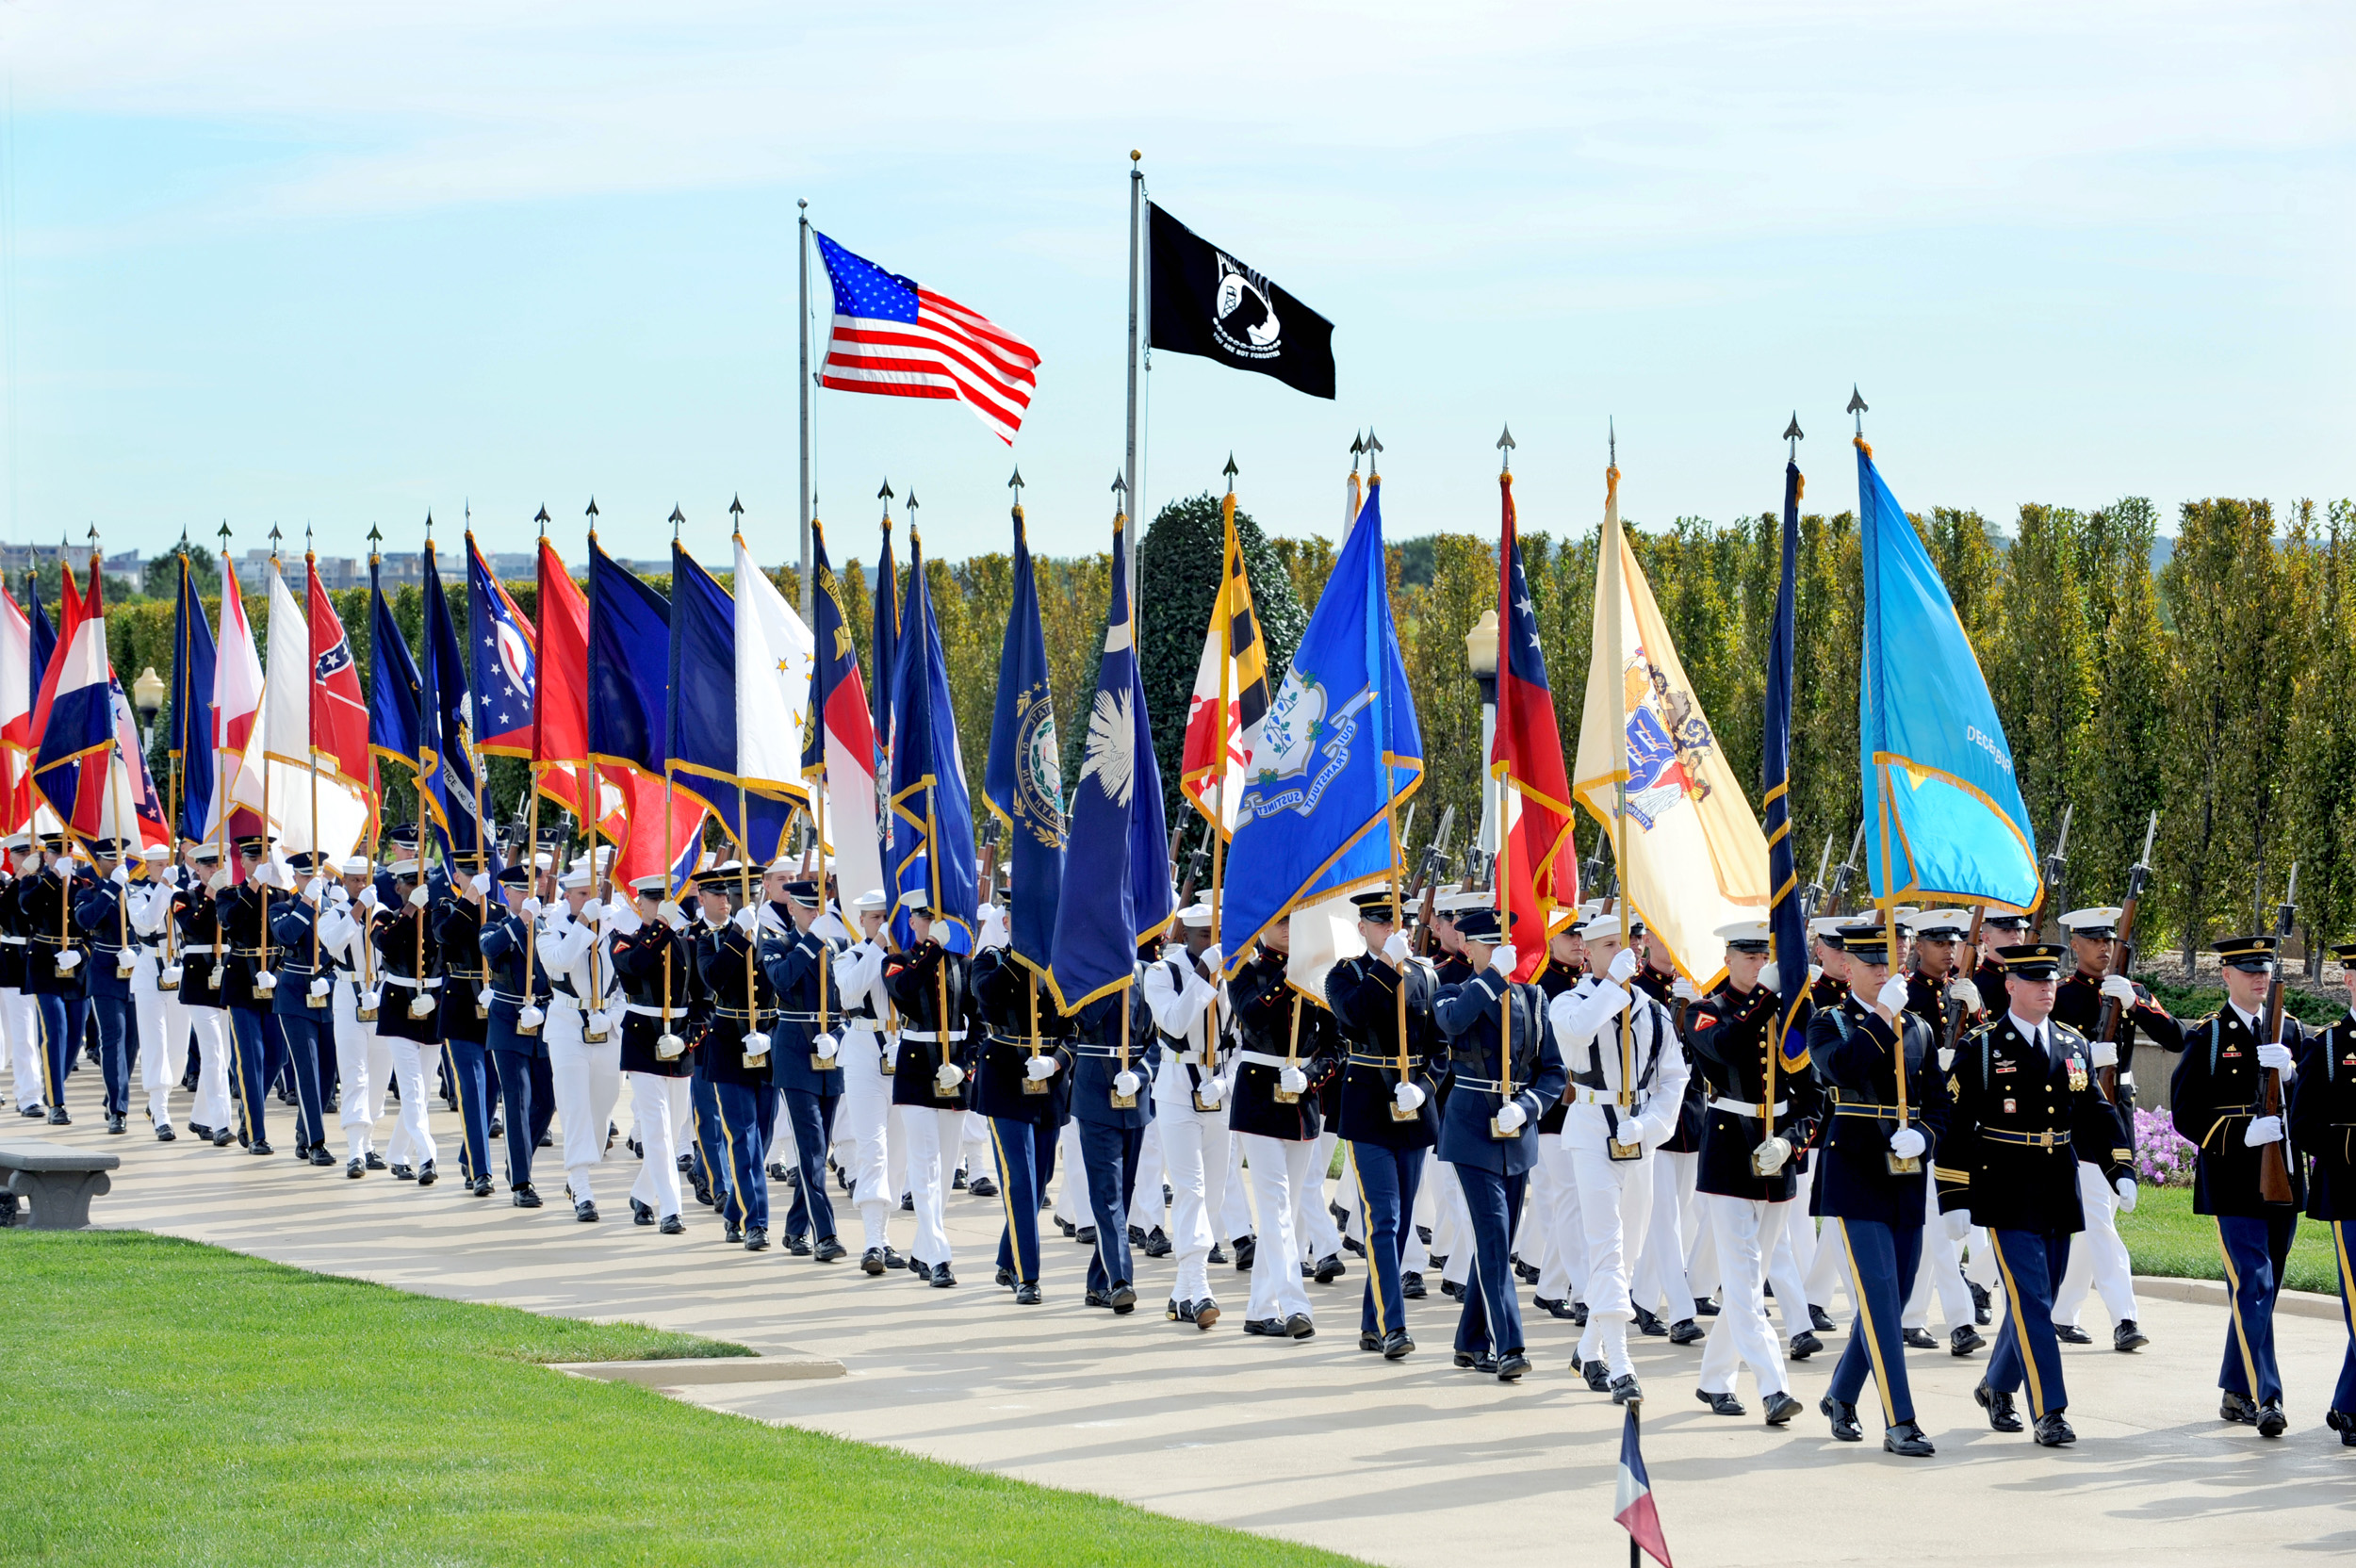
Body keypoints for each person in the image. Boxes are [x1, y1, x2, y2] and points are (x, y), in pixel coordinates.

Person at [1942, 941, 2136, 1447]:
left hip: (2056, 1185)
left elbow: (2096, 1111)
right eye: (2034, 981)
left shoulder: (2071, 1043)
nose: (2047, 988)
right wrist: (1954, 1196)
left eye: (2051, 980)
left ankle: (1995, 1385)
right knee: (2031, 1300)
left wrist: (2121, 1167)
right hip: (2004, 1185)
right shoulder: (1983, 1047)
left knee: (2039, 1301)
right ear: (2010, 987)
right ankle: (2050, 1410)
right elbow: (1956, 1124)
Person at [1808, 915, 1941, 1458]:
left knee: (1896, 1295)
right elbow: (1840, 1067)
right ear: (1847, 968)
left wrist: (1926, 1136)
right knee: (1882, 1295)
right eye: (1874, 963)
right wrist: (1884, 1013)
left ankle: (1841, 1393)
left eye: (1892, 960)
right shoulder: (1830, 1023)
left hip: (1905, 1174)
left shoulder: (1921, 1028)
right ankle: (1900, 1419)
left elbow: (1939, 1101)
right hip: (1855, 1171)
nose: (1888, 970)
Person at [2171, 934, 2312, 1439]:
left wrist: (2293, 1076)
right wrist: (2241, 1131)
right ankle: (2265, 1395)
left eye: (2265, 969)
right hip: (2233, 1182)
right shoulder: (2209, 1036)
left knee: (2262, 1292)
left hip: (2284, 1180)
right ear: (2225, 975)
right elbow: (2185, 1113)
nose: (2259, 977)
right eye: (2248, 969)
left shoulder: (2292, 1031)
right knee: (2253, 1282)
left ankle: (2236, 1386)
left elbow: (2315, 1109)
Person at [1681, 919, 1815, 1425]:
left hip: (1776, 1154)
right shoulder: (1703, 1012)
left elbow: (1813, 1096)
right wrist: (1766, 995)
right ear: (1728, 960)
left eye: (1766, 957)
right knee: (1742, 1281)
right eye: (1750, 957)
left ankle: (1714, 1379)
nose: (1760, 965)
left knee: (1750, 1277)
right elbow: (1729, 1047)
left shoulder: (1791, 1017)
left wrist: (1791, 1141)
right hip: (1728, 1151)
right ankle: (1774, 1388)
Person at [1552, 913, 1686, 1402]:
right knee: (1606, 1246)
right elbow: (1577, 1034)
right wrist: (1613, 987)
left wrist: (1651, 1126)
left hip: (1639, 1135)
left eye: (1626, 943)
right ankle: (1622, 1364)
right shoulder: (1570, 1001)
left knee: (1626, 1254)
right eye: (1608, 945)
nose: (1621, 952)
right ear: (1589, 952)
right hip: (1590, 1128)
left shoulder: (1654, 1009)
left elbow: (1674, 1077)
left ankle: (1590, 1348)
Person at [1433, 906, 1566, 1382]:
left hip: (1516, 1131)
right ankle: (1509, 1344)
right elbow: (1451, 1023)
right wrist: (1490, 978)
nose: (1501, 954)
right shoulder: (1451, 990)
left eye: (1504, 946)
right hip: (1471, 1130)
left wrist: (1528, 1107)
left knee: (1499, 1242)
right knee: (1492, 1240)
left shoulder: (1533, 999)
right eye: (1490, 947)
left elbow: (1554, 1071)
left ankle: (1469, 1342)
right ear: (1469, 949)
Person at [1327, 889, 1450, 1361]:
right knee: (1384, 1219)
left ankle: (1371, 1322)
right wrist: (1385, 967)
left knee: (1398, 1230)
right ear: (1363, 928)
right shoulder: (1347, 974)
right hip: (1367, 1108)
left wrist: (1425, 1086)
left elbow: (1441, 1048)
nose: (1389, 931)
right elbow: (1354, 1016)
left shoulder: (1426, 975)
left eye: (1395, 923)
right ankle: (1393, 1326)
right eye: (1380, 924)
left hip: (1412, 1108)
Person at [2051, 905, 2179, 1351]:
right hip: (2079, 1113)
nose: (2104, 947)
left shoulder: (2131, 991)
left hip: (2118, 1110)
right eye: (2095, 940)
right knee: (2100, 1216)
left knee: (2094, 1215)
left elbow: (2176, 1038)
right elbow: (2048, 1054)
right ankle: (2125, 1317)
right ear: (2076, 944)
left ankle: (2062, 1312)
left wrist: (2135, 1004)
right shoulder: (2062, 995)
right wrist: (2087, 1053)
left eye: (2110, 940)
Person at [1228, 914, 1335, 1340]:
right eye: (1279, 921)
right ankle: (1295, 1303)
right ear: (1261, 927)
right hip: (1258, 1095)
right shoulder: (1245, 971)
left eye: (1294, 920)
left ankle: (1259, 1308)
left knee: (1285, 1214)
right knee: (1273, 1207)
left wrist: (1311, 1076)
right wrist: (1286, 979)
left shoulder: (1318, 975)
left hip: (1301, 1098)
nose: (1288, 927)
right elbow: (1251, 1018)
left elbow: (1336, 1044)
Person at [1143, 898, 1231, 1328]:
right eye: (1203, 937)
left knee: (1213, 1195)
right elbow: (1175, 1024)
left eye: (1217, 937)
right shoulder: (1161, 974)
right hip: (1177, 1091)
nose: (1212, 945)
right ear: (1185, 936)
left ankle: (1181, 1294)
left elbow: (1238, 1037)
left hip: (1218, 1089)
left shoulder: (1231, 973)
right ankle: (1200, 1289)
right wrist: (1203, 974)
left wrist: (1226, 1080)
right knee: (1191, 1190)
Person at [883, 890, 976, 1287]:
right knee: (925, 1165)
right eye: (922, 918)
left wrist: (966, 1066)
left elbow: (982, 1025)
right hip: (917, 1069)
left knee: (946, 1168)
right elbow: (904, 994)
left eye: (934, 919)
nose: (927, 924)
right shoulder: (898, 962)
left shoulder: (963, 965)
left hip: (952, 1071)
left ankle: (923, 1250)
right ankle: (939, 1256)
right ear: (912, 922)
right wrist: (933, 950)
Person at [971, 929, 1070, 1304]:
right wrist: (1021, 957)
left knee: (1041, 1178)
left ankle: (1006, 1257)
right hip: (1004, 1079)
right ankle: (1028, 1275)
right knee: (1021, 1181)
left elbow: (1076, 1027)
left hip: (1050, 1080)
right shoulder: (992, 959)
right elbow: (986, 995)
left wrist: (1057, 1060)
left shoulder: (1062, 964)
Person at [2290, 941, 2356, 1446]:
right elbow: (2304, 1123)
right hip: (2351, 1191)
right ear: (2349, 982)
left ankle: (2346, 1403)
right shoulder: (2329, 1045)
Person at [764, 875, 849, 1260]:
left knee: (818, 1145)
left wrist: (841, 1032)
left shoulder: (841, 946)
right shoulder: (776, 944)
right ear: (792, 909)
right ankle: (826, 1235)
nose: (815, 914)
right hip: (796, 1051)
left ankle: (796, 1227)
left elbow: (853, 1001)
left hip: (831, 1052)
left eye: (819, 908)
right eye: (807, 908)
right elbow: (781, 981)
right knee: (812, 1147)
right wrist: (811, 941)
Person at [698, 867, 779, 1250]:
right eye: (727, 895)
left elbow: (782, 987)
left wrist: (770, 1033)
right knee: (743, 1137)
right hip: (730, 1044)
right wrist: (737, 937)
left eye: (737, 894)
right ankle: (755, 1222)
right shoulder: (707, 940)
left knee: (761, 1137)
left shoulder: (772, 938)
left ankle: (734, 1211)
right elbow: (712, 979)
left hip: (766, 1043)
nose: (730, 901)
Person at [540, 861, 626, 1222]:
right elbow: (559, 964)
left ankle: (582, 1174)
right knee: (574, 1106)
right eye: (582, 895)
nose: (590, 900)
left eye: (594, 894)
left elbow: (627, 985)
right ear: (568, 897)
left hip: (605, 1026)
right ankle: (581, 1185)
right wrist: (582, 926)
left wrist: (613, 1016)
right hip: (565, 1025)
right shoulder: (552, 932)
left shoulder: (616, 932)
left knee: (603, 1106)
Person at [610, 874, 695, 1233]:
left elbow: (702, 1000)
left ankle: (642, 1194)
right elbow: (637, 965)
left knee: (674, 1129)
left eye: (664, 900)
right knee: (658, 1131)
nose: (658, 905)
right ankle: (672, 1210)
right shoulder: (622, 942)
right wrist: (661, 926)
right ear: (638, 903)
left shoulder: (686, 944)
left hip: (678, 1041)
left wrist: (689, 1038)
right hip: (642, 1039)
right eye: (651, 899)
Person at [832, 889, 906, 1274]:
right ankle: (872, 1242)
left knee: (897, 1153)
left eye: (886, 917)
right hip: (864, 1052)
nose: (882, 923)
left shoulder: (908, 958)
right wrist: (877, 945)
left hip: (904, 1050)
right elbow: (850, 990)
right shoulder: (852, 955)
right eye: (875, 917)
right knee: (872, 1148)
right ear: (862, 921)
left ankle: (886, 1236)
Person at [482, 862, 556, 1206]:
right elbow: (490, 949)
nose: (530, 896)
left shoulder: (547, 926)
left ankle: (518, 1162)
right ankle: (521, 1184)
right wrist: (521, 920)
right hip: (508, 1022)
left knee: (547, 1099)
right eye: (521, 890)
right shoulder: (495, 924)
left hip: (540, 1020)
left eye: (533, 889)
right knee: (518, 1098)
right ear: (506, 893)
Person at [264, 852, 340, 1168]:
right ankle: (316, 1142)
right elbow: (285, 936)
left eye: (316, 875)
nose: (313, 882)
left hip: (327, 995)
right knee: (306, 1070)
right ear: (296, 878)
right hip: (295, 996)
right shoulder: (282, 908)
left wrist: (332, 980)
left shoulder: (332, 909)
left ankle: (303, 1132)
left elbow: (342, 954)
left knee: (327, 1073)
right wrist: (307, 904)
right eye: (306, 876)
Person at [157, 841, 235, 1145]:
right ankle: (221, 1124)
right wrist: (212, 894)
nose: (214, 871)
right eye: (208, 866)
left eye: (219, 865)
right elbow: (193, 925)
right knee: (213, 1053)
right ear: (197, 868)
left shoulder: (234, 896)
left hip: (227, 977)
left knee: (224, 1056)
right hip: (199, 980)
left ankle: (200, 1117)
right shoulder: (183, 897)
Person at [71, 839, 144, 1135]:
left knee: (132, 1045)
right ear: (99, 862)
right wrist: (112, 888)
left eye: (121, 859)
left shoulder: (136, 890)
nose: (118, 865)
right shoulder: (88, 892)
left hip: (135, 969)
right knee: (112, 1040)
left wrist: (137, 953)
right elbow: (86, 920)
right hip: (104, 971)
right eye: (112, 860)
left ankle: (113, 1093)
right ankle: (118, 1109)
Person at [434, 861, 497, 1196]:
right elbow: (446, 935)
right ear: (456, 876)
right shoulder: (445, 909)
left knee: (491, 1094)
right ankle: (480, 1171)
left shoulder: (498, 910)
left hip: (494, 1007)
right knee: (471, 1089)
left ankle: (468, 1152)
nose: (475, 878)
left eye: (479, 873)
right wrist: (470, 898)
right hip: (459, 1006)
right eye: (467, 873)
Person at [21, 834, 92, 1125]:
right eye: (54, 853)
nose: (62, 857)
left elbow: (92, 932)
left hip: (75, 968)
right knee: (56, 1031)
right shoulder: (33, 883)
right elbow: (28, 907)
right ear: (45, 856)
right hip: (43, 964)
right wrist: (51, 876)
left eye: (66, 853)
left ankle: (53, 1086)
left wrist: (81, 954)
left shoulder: (84, 887)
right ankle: (57, 1103)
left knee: (75, 1036)